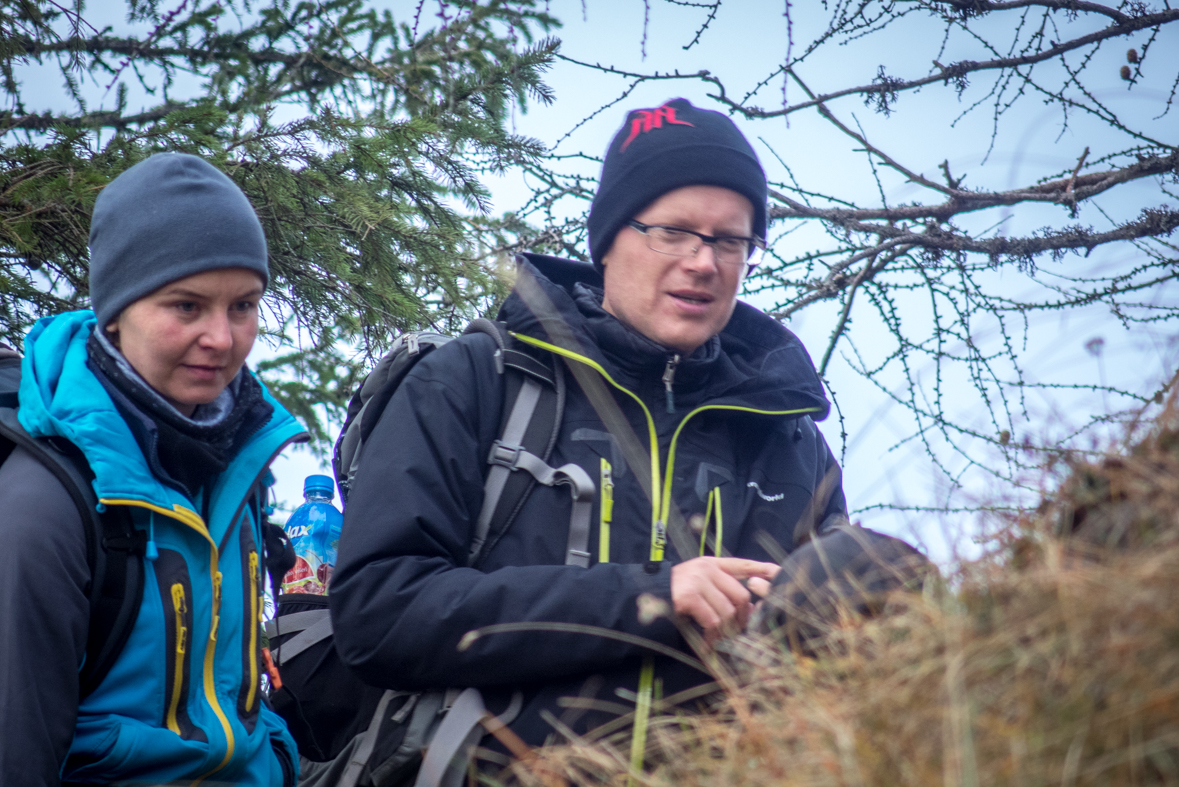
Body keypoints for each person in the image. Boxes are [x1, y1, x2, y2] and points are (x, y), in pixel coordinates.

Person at [330, 98, 913, 760]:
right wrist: (653, 598)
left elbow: (834, 670)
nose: (703, 262)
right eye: (673, 231)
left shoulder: (788, 444)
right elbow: (378, 615)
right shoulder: (475, 380)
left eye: (730, 240)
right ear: (607, 240)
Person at [0, 153, 304, 786]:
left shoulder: (234, 457)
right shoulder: (47, 505)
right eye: (186, 307)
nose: (221, 338)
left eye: (243, 306)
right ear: (116, 309)